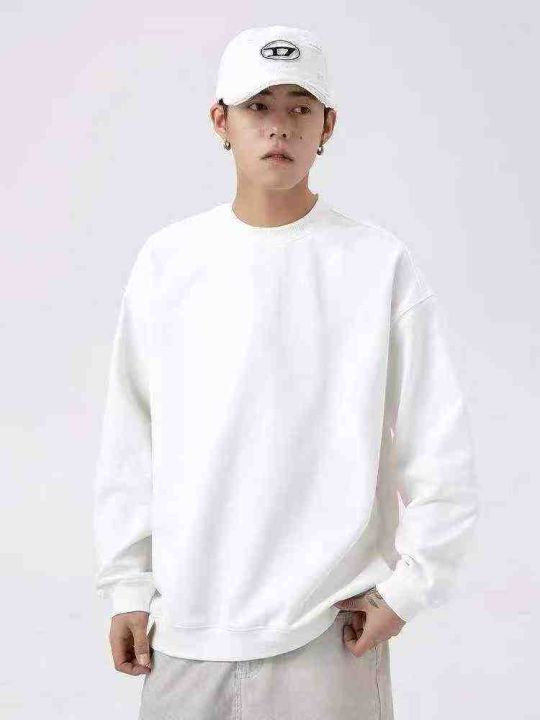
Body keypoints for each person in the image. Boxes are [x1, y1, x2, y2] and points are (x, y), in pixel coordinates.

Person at [93, 25, 479, 720]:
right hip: (185, 633)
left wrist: (408, 590)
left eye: (300, 108)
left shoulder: (376, 265)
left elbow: (438, 446)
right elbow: (131, 435)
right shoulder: (169, 263)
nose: (280, 127)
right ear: (222, 121)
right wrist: (126, 586)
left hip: (327, 637)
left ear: (328, 125)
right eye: (258, 107)